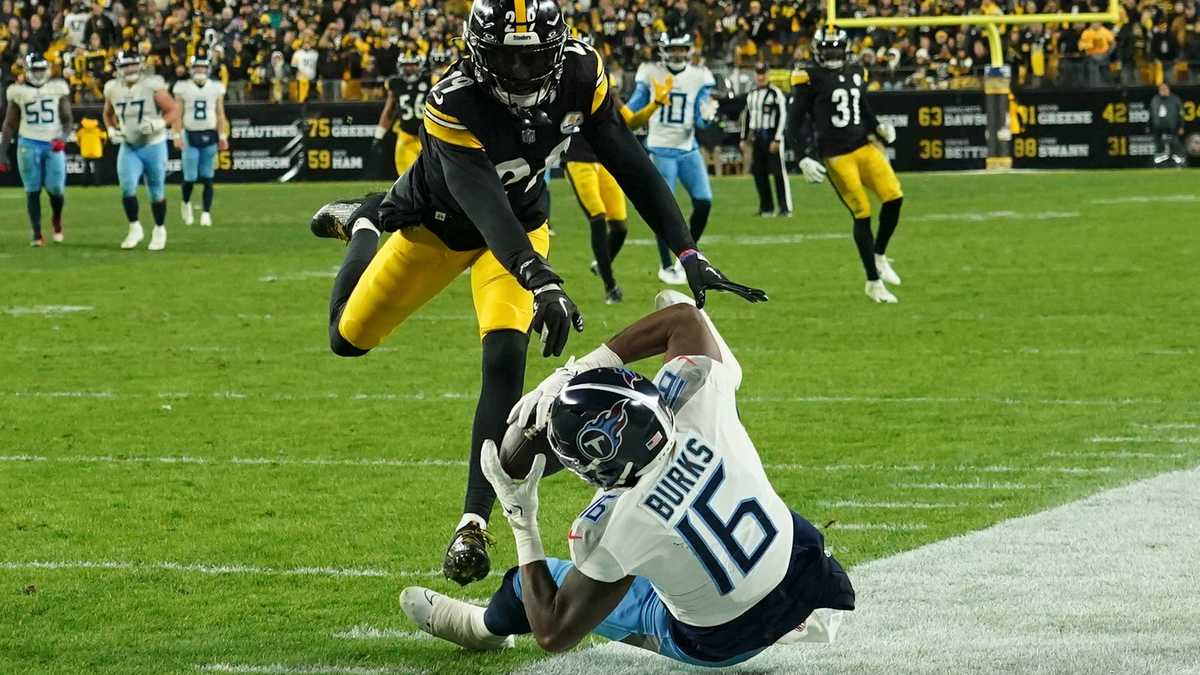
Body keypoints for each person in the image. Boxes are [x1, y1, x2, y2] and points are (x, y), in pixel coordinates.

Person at [309, 0, 766, 588]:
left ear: (557, 50)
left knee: (505, 356)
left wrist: (687, 250)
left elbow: (628, 160)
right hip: (438, 227)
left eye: (535, 58)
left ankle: (471, 523)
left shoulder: (581, 71)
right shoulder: (453, 100)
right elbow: (483, 205)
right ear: (478, 55)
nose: (523, 72)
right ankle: (365, 223)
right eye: (507, 58)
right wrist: (540, 277)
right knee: (348, 339)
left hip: (522, 226)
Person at [400, 291, 854, 665]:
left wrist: (522, 518)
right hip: (805, 567)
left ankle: (483, 629)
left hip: (726, 637)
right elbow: (683, 317)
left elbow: (554, 631)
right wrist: (578, 370)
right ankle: (789, 609)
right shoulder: (699, 400)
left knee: (531, 587)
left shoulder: (619, 525)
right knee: (684, 319)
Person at [790, 28, 904, 304]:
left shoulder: (856, 72)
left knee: (894, 197)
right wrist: (802, 156)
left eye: (836, 51)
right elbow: (795, 120)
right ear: (818, 52)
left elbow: (861, 107)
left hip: (863, 146)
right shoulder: (809, 76)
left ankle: (878, 254)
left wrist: (877, 127)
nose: (832, 56)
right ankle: (873, 282)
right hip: (835, 155)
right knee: (862, 212)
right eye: (827, 51)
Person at [565, 47, 673, 305]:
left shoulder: (609, 96)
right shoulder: (567, 96)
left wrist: (656, 104)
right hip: (578, 161)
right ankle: (610, 285)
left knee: (621, 226)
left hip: (603, 164)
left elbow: (631, 122)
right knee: (598, 218)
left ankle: (602, 265)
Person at [627, 31, 719, 286]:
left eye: (682, 49)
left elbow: (700, 117)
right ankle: (665, 264)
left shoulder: (699, 76)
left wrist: (707, 116)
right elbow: (633, 107)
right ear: (665, 50)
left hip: (688, 148)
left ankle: (686, 255)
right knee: (664, 210)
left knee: (704, 202)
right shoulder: (650, 72)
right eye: (674, 49)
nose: (678, 54)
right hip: (660, 148)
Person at [103, 50, 179, 251]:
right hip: (129, 145)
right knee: (127, 188)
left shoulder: (152, 85)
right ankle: (135, 227)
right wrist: (111, 129)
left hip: (153, 144)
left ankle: (159, 229)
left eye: (132, 64)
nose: (129, 69)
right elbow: (108, 113)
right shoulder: (112, 88)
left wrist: (160, 124)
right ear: (118, 68)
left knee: (156, 191)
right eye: (125, 65)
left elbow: (173, 109)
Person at [0, 54, 72, 246]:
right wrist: (2, 151)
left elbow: (67, 119)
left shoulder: (57, 88)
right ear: (27, 71)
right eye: (35, 70)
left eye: (41, 70)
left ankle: (56, 219)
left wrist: (63, 139)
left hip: (52, 142)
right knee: (32, 190)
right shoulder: (18, 92)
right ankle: (37, 233)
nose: (39, 74)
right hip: (28, 143)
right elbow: (9, 123)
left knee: (56, 189)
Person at [172, 55, 228, 227]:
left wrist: (222, 136)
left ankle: (206, 213)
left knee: (208, 178)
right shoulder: (183, 88)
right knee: (190, 178)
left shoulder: (216, 88)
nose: (200, 71)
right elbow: (177, 114)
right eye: (197, 68)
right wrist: (176, 135)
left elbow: (220, 113)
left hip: (209, 135)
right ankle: (186, 202)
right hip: (190, 135)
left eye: (203, 68)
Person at [741, 62, 791, 217]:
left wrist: (777, 138)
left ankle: (785, 207)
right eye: (758, 73)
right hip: (757, 136)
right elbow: (747, 117)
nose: (761, 77)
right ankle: (766, 207)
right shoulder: (752, 94)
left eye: (763, 73)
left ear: (768, 74)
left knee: (778, 172)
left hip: (771, 135)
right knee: (759, 173)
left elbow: (783, 116)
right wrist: (744, 137)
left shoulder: (776, 93)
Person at [372, 51, 430, 178]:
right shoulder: (395, 84)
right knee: (407, 179)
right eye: (406, 65)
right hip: (406, 137)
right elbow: (389, 111)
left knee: (432, 178)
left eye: (413, 65)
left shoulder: (431, 80)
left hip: (428, 138)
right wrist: (379, 135)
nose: (409, 68)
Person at [1149, 82, 1185, 167]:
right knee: (1159, 146)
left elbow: (1181, 113)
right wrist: (1149, 125)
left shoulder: (1175, 100)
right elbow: (1151, 113)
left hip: (1173, 128)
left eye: (1164, 89)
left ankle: (1179, 162)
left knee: (1175, 145)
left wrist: (1181, 126)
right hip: (1158, 128)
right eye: (1161, 89)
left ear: (1168, 90)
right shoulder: (1155, 100)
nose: (1162, 91)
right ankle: (1157, 163)